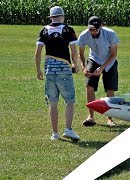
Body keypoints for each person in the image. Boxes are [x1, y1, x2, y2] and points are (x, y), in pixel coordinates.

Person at [34, 6, 80, 141]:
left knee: (53, 103)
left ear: (51, 17)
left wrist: (38, 70)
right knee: (70, 101)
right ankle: (68, 129)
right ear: (62, 16)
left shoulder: (44, 30)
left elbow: (37, 54)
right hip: (64, 69)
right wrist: (75, 65)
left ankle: (55, 133)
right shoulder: (68, 30)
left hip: (49, 70)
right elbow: (74, 51)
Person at [78, 16, 120, 127]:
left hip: (109, 61)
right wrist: (83, 68)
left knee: (110, 89)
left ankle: (110, 118)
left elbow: (113, 55)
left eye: (95, 29)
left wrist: (102, 68)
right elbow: (80, 54)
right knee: (89, 87)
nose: (93, 32)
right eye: (91, 29)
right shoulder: (83, 35)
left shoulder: (110, 34)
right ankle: (90, 117)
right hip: (94, 59)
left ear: (101, 27)